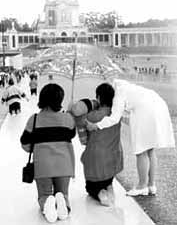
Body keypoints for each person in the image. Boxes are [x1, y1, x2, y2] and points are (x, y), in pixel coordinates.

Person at [86, 79, 175, 196]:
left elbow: (114, 118)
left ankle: (142, 186)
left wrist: (96, 125)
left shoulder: (119, 94)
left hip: (146, 110)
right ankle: (151, 185)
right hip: (158, 104)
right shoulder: (126, 87)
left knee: (141, 150)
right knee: (150, 149)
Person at [20, 84, 76, 223]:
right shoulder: (68, 118)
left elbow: (25, 143)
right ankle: (64, 207)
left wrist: (36, 147)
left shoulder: (34, 119)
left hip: (43, 164)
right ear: (60, 99)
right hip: (64, 164)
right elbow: (72, 134)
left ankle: (47, 203)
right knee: (63, 194)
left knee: (44, 194)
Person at [70, 83, 123, 206]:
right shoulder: (116, 115)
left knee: (90, 188)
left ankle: (100, 194)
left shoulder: (91, 116)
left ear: (98, 97)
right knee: (107, 179)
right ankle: (109, 187)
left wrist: (73, 107)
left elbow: (78, 115)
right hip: (114, 158)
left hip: (96, 159)